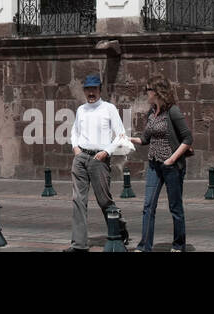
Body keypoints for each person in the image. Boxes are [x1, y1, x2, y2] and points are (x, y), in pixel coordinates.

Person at [128, 77, 193, 252]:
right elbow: (145, 139)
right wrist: (127, 139)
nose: (146, 93)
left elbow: (188, 138)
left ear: (157, 92)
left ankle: (179, 246)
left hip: (171, 167)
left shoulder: (173, 112)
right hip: (154, 165)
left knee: (175, 207)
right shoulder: (151, 112)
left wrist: (171, 159)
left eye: (148, 89)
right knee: (148, 206)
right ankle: (144, 247)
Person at [67, 74, 129, 252]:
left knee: (104, 200)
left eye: (94, 89)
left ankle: (119, 227)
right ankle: (78, 244)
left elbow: (120, 135)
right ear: (84, 91)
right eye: (88, 89)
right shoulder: (81, 110)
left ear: (100, 90)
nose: (91, 92)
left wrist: (106, 152)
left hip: (99, 159)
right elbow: (74, 132)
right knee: (78, 200)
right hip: (80, 158)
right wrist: (75, 148)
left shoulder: (109, 108)